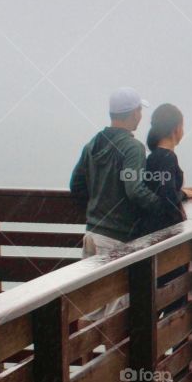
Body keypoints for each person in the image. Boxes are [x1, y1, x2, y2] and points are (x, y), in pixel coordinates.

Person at [70, 87, 162, 256]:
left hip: (92, 234)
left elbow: (76, 185)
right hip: (117, 239)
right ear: (135, 113)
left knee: (94, 284)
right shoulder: (132, 148)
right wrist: (162, 204)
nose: (140, 116)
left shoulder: (92, 144)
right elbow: (134, 190)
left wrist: (98, 205)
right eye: (140, 111)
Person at [138, 102, 192, 236]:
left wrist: (180, 191)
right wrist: (184, 194)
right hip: (163, 235)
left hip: (149, 230)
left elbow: (162, 189)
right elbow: (168, 198)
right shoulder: (168, 158)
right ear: (176, 129)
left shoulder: (153, 157)